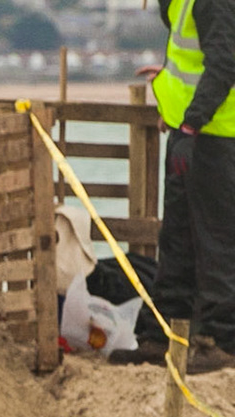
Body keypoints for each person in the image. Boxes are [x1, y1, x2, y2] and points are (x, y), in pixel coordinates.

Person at [115, 0, 235, 373]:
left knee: (216, 244)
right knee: (177, 240)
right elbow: (192, 62)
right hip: (193, 134)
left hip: (214, 138)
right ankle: (162, 336)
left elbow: (224, 64)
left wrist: (192, 121)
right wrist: (168, 83)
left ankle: (221, 343)